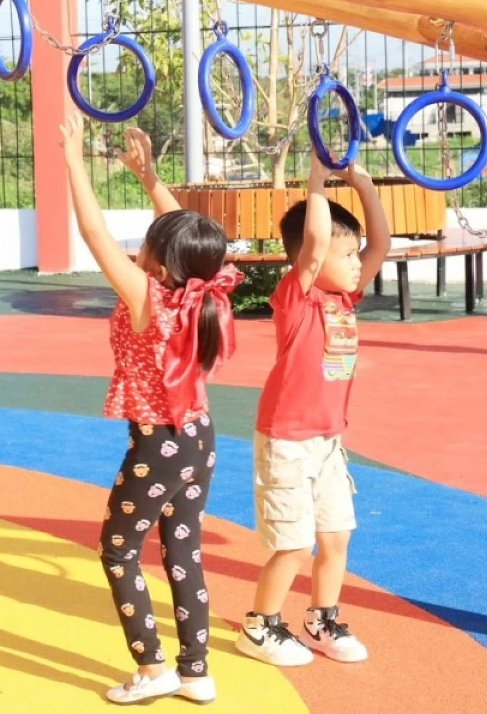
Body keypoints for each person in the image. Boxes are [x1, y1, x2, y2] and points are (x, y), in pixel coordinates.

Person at [60, 116, 242, 705]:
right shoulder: (204, 290)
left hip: (159, 444)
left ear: (157, 264)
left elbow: (93, 233)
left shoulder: (148, 296)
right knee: (182, 551)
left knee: (117, 551)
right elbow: (187, 236)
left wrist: (73, 161)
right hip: (198, 437)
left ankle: (152, 667)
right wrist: (149, 179)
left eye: (146, 244)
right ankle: (196, 671)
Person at [236, 154, 390, 666]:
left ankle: (321, 619)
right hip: (287, 441)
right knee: (295, 545)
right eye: (346, 255)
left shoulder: (344, 299)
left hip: (327, 442)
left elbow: (381, 245)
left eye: (354, 255)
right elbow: (317, 245)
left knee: (336, 537)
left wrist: (362, 182)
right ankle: (260, 626)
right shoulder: (297, 298)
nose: (356, 262)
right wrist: (317, 183)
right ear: (311, 259)